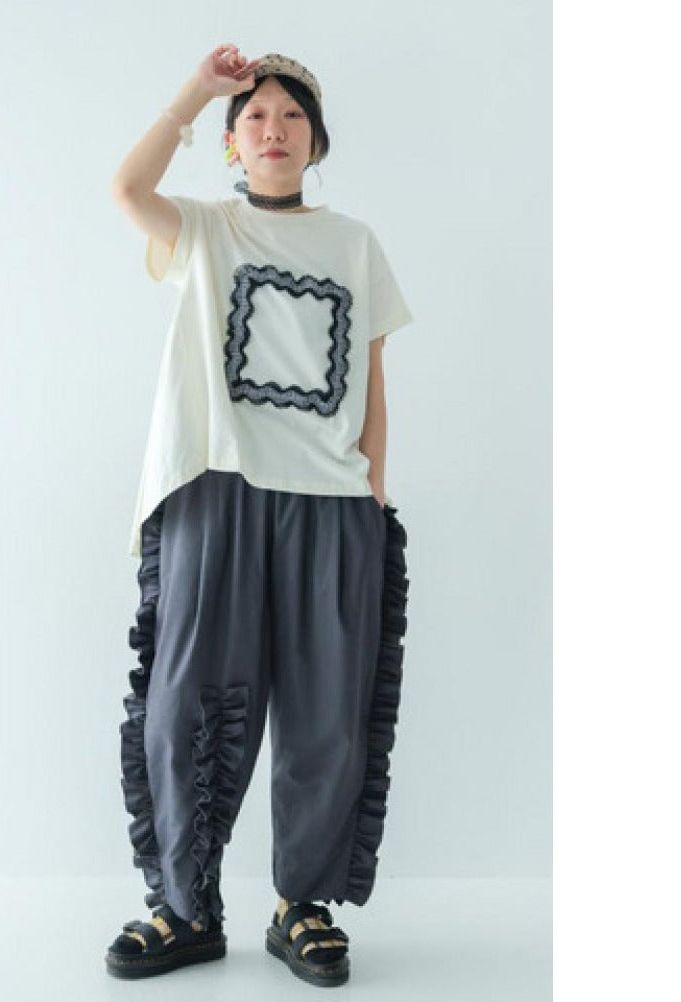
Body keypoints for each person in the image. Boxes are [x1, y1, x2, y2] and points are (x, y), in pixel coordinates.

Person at [105, 45, 413, 987]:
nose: (274, 129)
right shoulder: (205, 229)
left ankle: (302, 906)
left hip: (332, 501)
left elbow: (371, 380)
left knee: (328, 710)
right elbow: (126, 188)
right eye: (256, 118)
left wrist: (374, 491)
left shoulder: (355, 243)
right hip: (218, 486)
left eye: (291, 116)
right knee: (188, 701)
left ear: (316, 141)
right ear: (233, 144)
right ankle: (184, 907)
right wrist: (198, 93)